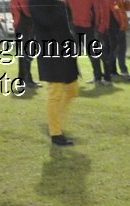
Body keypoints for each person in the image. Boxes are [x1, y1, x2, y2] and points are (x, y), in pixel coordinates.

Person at [30, 0, 82, 144]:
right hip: (51, 51)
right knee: (55, 92)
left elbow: (66, 22)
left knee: (73, 90)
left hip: (65, 50)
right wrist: (59, 5)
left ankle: (56, 122)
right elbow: (47, 22)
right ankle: (55, 133)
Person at [109, 0, 130, 79]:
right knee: (115, 51)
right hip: (114, 30)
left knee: (121, 51)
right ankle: (114, 71)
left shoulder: (119, 1)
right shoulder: (110, 3)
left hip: (121, 29)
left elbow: (129, 7)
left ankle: (120, 71)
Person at [91, 0, 118, 81]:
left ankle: (107, 76)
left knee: (103, 54)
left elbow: (105, 17)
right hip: (94, 29)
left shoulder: (104, 2)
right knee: (95, 54)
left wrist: (100, 30)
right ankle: (98, 76)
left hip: (100, 30)